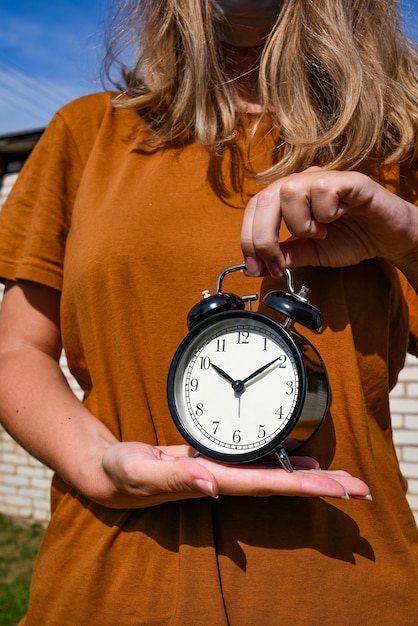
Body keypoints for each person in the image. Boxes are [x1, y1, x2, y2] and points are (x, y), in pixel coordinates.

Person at [0, 0, 417, 623]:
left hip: (342, 578)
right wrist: (95, 464)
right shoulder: (86, 134)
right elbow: (17, 349)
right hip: (112, 582)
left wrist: (408, 239)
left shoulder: (397, 143)